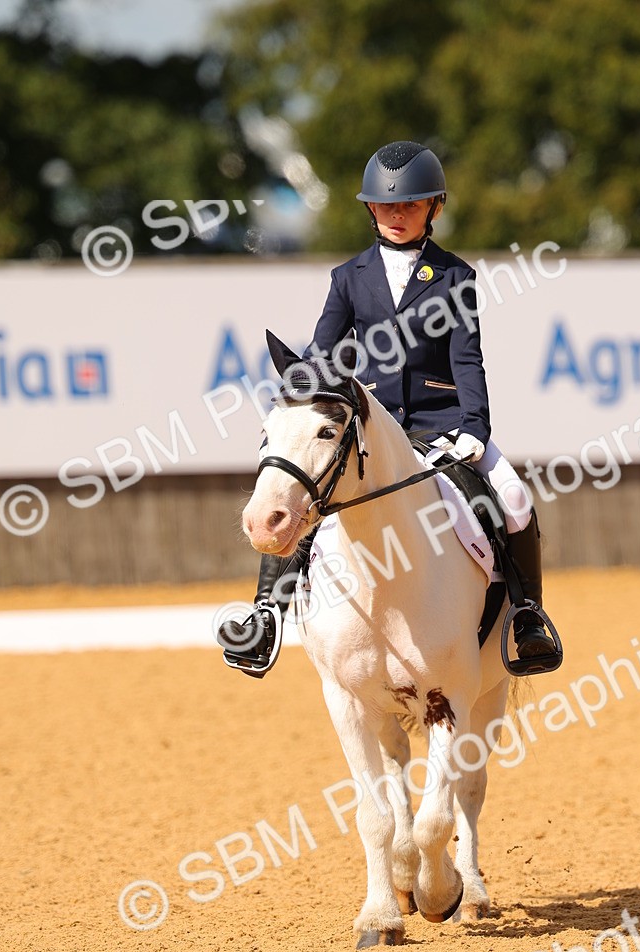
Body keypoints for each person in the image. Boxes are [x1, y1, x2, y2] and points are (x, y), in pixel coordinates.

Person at [219, 140, 556, 677]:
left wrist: (474, 427)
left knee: (513, 497)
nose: (397, 216)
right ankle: (265, 616)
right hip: (374, 429)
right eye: (387, 206)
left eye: (410, 205)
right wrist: (302, 383)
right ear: (371, 209)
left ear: (433, 208)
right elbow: (323, 351)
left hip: (443, 425)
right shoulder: (349, 278)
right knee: (298, 488)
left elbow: (467, 360)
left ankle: (527, 617)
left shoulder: (455, 277)